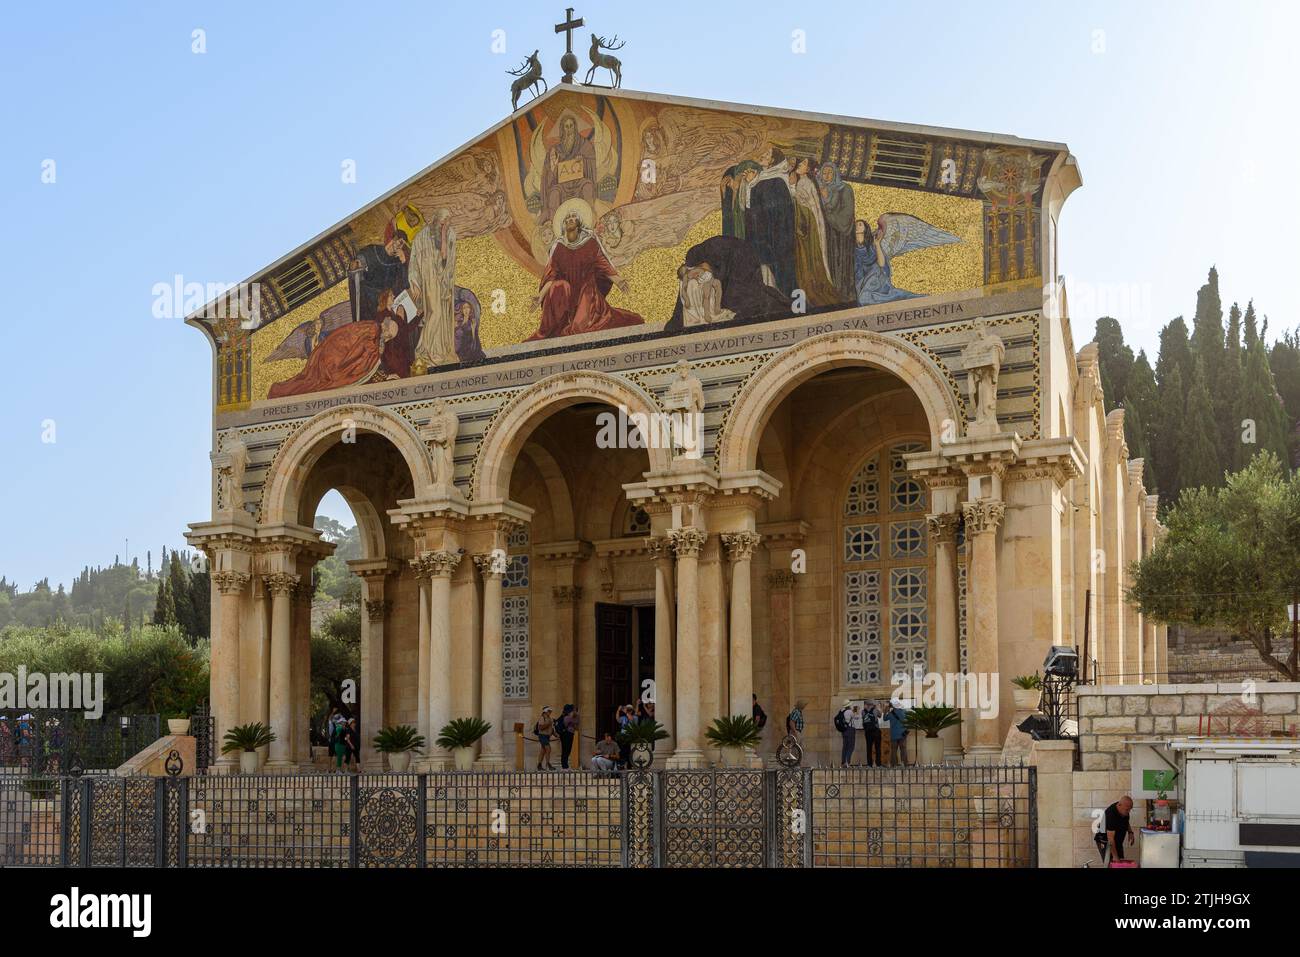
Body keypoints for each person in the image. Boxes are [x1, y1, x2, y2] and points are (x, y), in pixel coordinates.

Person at [1095, 796, 1135, 862]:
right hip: (1105, 841)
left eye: (1130, 809)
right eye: (1127, 810)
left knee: (1120, 860)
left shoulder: (1124, 809)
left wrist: (1130, 832)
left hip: (1116, 840)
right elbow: (1110, 839)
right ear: (1119, 805)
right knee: (1111, 862)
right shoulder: (1111, 814)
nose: (1128, 812)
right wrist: (1115, 856)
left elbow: (1126, 821)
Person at [884, 701, 910, 766]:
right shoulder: (904, 712)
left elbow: (884, 719)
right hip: (902, 735)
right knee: (903, 750)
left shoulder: (890, 713)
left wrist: (885, 711)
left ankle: (894, 764)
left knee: (894, 750)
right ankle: (904, 763)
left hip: (894, 735)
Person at [534, 706, 557, 770]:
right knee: (548, 749)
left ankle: (539, 765)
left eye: (550, 711)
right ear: (546, 712)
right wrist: (547, 724)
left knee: (543, 751)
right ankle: (548, 764)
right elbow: (540, 728)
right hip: (542, 736)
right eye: (549, 711)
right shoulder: (542, 718)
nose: (550, 712)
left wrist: (556, 735)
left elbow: (551, 729)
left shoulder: (550, 718)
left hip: (547, 736)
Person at [836, 701, 858, 767]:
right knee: (851, 747)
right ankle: (847, 762)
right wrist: (856, 711)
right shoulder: (850, 711)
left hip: (844, 731)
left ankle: (843, 762)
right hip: (850, 730)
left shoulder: (842, 711)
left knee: (845, 747)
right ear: (849, 706)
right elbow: (856, 717)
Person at [862, 700, 883, 767]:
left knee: (869, 748)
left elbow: (864, 719)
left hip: (867, 732)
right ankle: (878, 764)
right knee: (877, 748)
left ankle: (869, 764)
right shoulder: (875, 710)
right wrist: (877, 707)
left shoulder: (863, 711)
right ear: (872, 704)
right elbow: (880, 715)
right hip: (875, 731)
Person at [557, 704, 578, 770]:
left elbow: (576, 724)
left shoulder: (569, 717)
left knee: (568, 749)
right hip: (566, 734)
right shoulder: (566, 717)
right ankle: (564, 766)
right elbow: (569, 723)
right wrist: (572, 719)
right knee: (565, 749)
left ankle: (565, 765)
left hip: (569, 733)